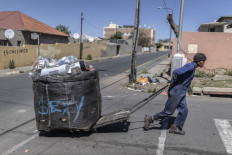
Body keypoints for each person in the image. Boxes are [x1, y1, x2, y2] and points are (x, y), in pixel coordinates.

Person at [144, 53, 207, 135]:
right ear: (199, 61)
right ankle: (151, 118)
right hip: (177, 92)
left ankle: (176, 127)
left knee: (184, 110)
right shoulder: (191, 67)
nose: (204, 63)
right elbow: (176, 72)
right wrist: (172, 83)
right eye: (203, 61)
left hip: (181, 92)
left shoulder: (192, 67)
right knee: (168, 112)